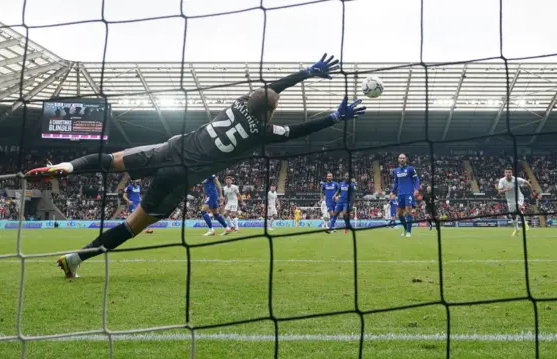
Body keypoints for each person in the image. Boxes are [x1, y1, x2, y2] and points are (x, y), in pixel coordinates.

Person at [25, 53, 366, 278]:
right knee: (131, 226)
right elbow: (296, 132)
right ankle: (75, 259)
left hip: (168, 148)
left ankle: (68, 167)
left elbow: (272, 89)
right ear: (270, 115)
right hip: (179, 177)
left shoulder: (238, 103)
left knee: (111, 160)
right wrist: (335, 116)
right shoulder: (261, 132)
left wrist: (306, 73)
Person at [497, 167, 536, 236]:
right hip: (510, 200)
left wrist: (532, 192)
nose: (508, 173)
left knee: (518, 208)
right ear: (504, 173)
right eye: (506, 172)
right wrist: (506, 190)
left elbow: (527, 183)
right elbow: (499, 192)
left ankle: (525, 223)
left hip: (519, 197)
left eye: (509, 172)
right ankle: (516, 229)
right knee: (513, 215)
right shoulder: (502, 181)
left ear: (511, 173)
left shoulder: (516, 179)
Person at [390, 153, 420, 237]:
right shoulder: (396, 171)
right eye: (400, 158)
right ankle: (405, 228)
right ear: (398, 159)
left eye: (403, 158)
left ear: (406, 159)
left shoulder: (410, 169)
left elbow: (416, 179)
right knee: (399, 214)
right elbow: (396, 182)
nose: (402, 159)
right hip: (400, 194)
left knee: (408, 211)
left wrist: (417, 189)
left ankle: (409, 232)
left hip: (409, 193)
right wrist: (392, 191)